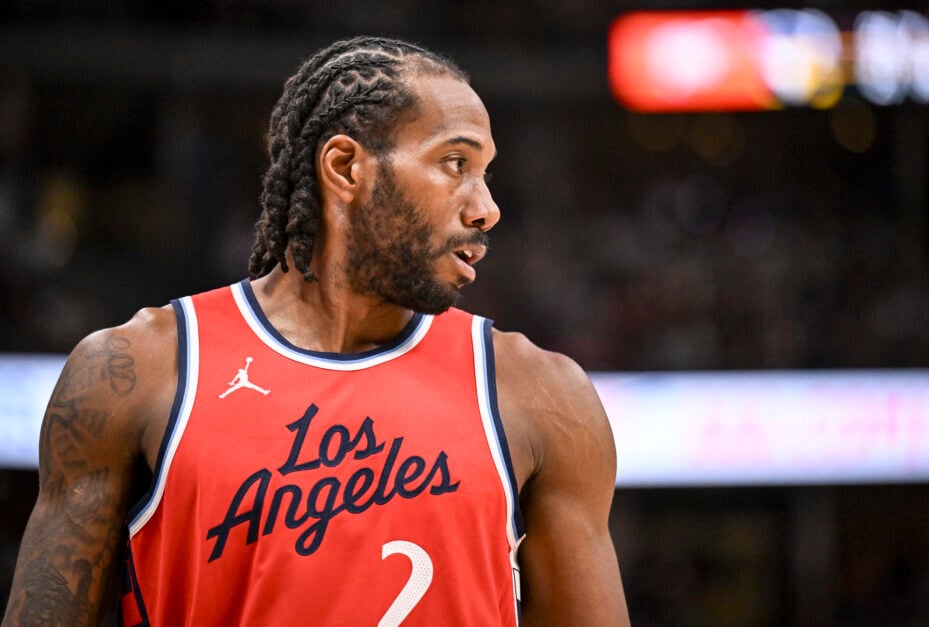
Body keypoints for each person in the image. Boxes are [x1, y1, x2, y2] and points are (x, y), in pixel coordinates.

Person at [2, 36, 630, 626]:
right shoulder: (138, 371)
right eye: (455, 163)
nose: (486, 208)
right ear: (345, 167)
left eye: (485, 173)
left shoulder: (541, 395)